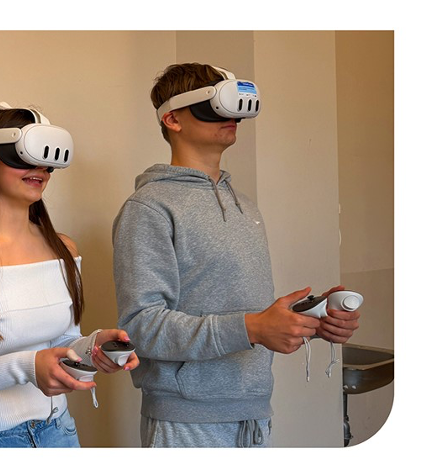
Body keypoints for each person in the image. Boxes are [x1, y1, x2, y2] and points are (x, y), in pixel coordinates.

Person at [112, 63, 361, 448]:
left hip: (254, 413)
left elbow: (246, 314)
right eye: (214, 107)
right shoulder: (149, 208)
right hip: (187, 423)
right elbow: (141, 327)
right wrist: (253, 328)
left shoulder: (244, 205)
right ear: (173, 119)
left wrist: (308, 321)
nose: (231, 118)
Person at [0, 104, 139, 448]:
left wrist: (94, 347)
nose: (39, 169)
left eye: (46, 161)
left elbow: (63, 341)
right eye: (22, 156)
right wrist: (27, 366)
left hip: (57, 431)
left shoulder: (63, 249)